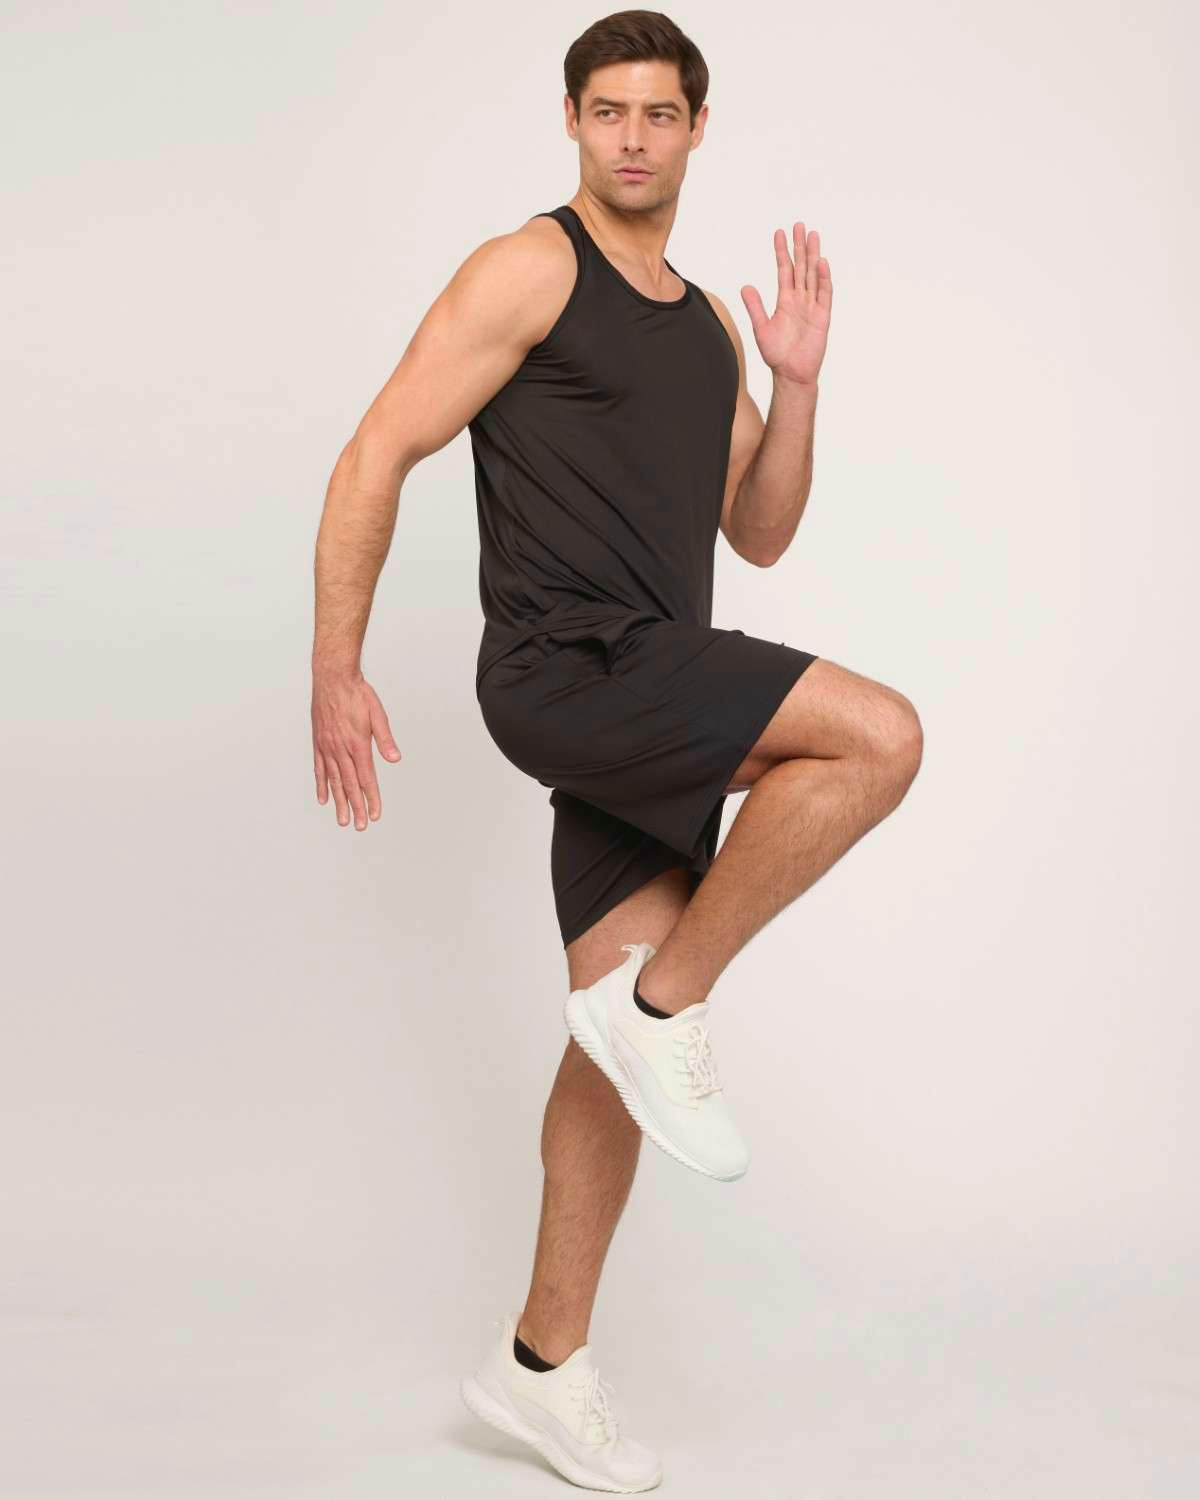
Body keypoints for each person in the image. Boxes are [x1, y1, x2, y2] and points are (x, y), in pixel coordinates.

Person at [310, 11, 922, 1491]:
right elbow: (377, 447)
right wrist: (335, 665)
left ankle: (540, 1366)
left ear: (698, 128)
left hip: (648, 692)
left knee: (610, 1056)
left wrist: (797, 384)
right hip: (565, 668)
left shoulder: (705, 323)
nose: (633, 137)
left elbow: (758, 531)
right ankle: (670, 1002)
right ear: (573, 124)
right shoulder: (531, 269)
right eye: (607, 111)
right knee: (881, 738)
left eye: (659, 113)